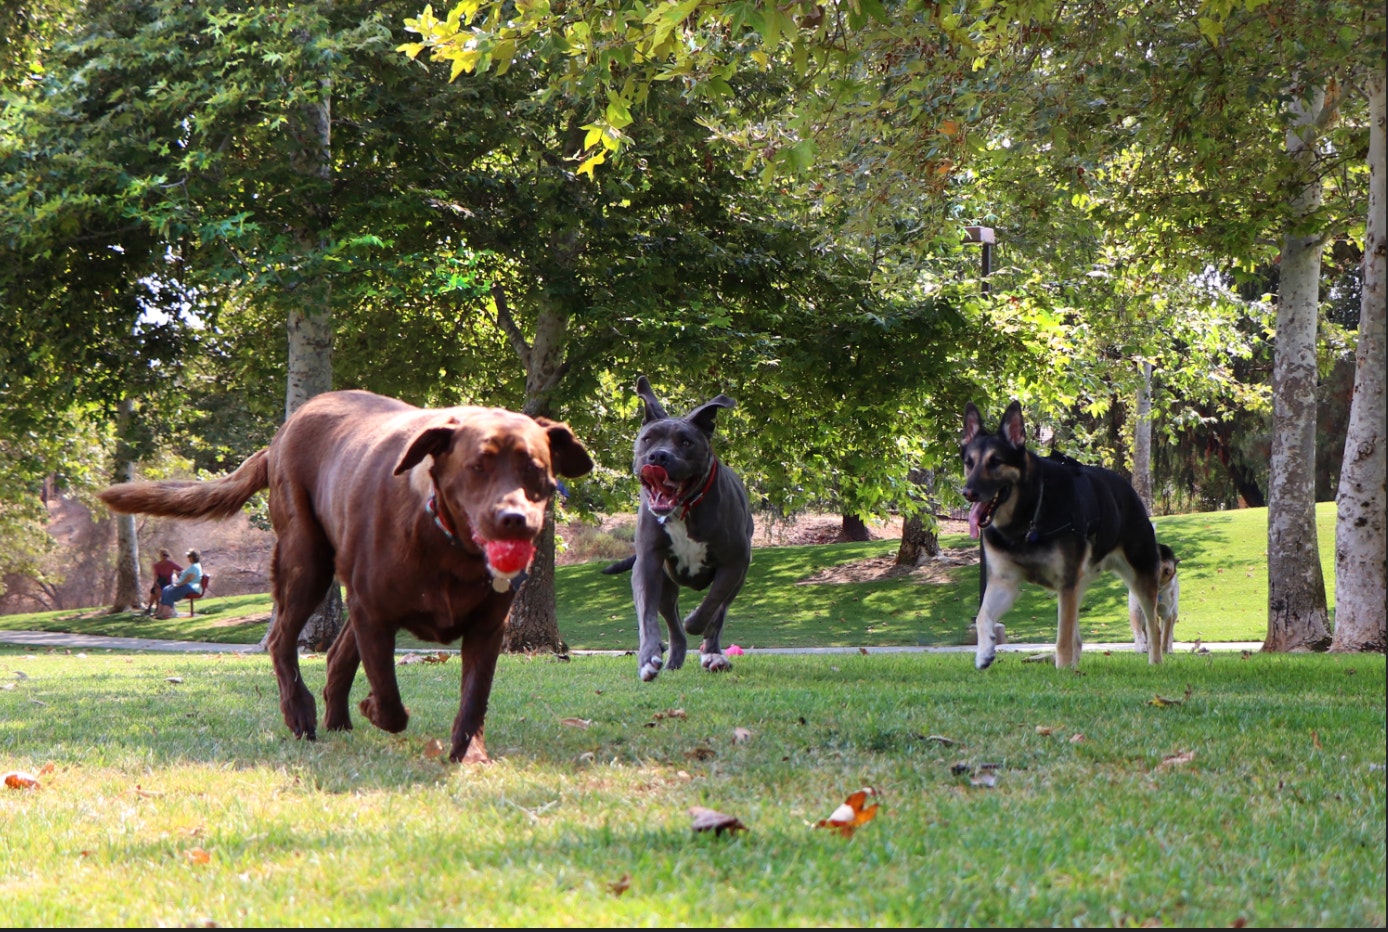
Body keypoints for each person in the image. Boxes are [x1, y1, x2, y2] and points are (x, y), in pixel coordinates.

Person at [157, 550, 204, 619]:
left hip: (191, 586)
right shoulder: (193, 566)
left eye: (189, 556)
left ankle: (166, 613)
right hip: (185, 584)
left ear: (193, 557)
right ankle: (159, 612)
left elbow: (189, 578)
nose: (188, 558)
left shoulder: (195, 567)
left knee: (170, 592)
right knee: (165, 589)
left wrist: (179, 584)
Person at [146, 549, 183, 615]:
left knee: (158, 590)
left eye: (166, 555)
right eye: (163, 555)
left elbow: (181, 569)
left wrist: (178, 575)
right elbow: (156, 575)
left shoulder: (171, 564)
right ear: (160, 556)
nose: (165, 557)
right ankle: (149, 607)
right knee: (154, 590)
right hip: (160, 581)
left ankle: (157, 606)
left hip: (167, 582)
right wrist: (155, 582)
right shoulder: (157, 565)